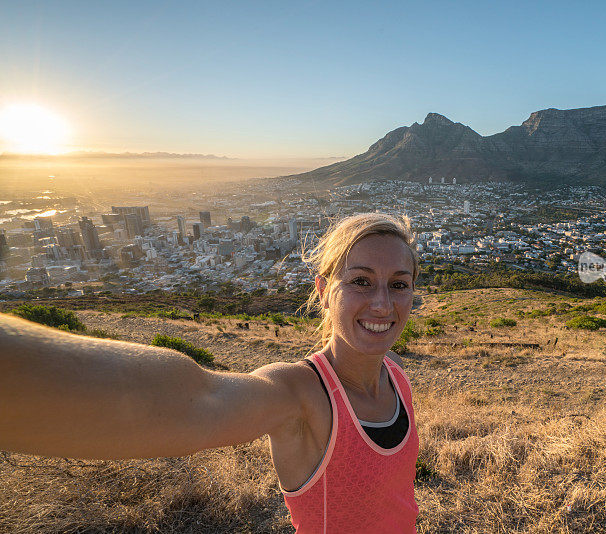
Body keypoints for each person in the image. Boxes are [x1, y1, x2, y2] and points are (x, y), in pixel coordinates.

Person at [0, 212, 420, 533]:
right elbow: (196, 399)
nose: (383, 304)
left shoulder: (396, 374)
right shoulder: (300, 396)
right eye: (361, 281)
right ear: (324, 291)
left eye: (398, 284)